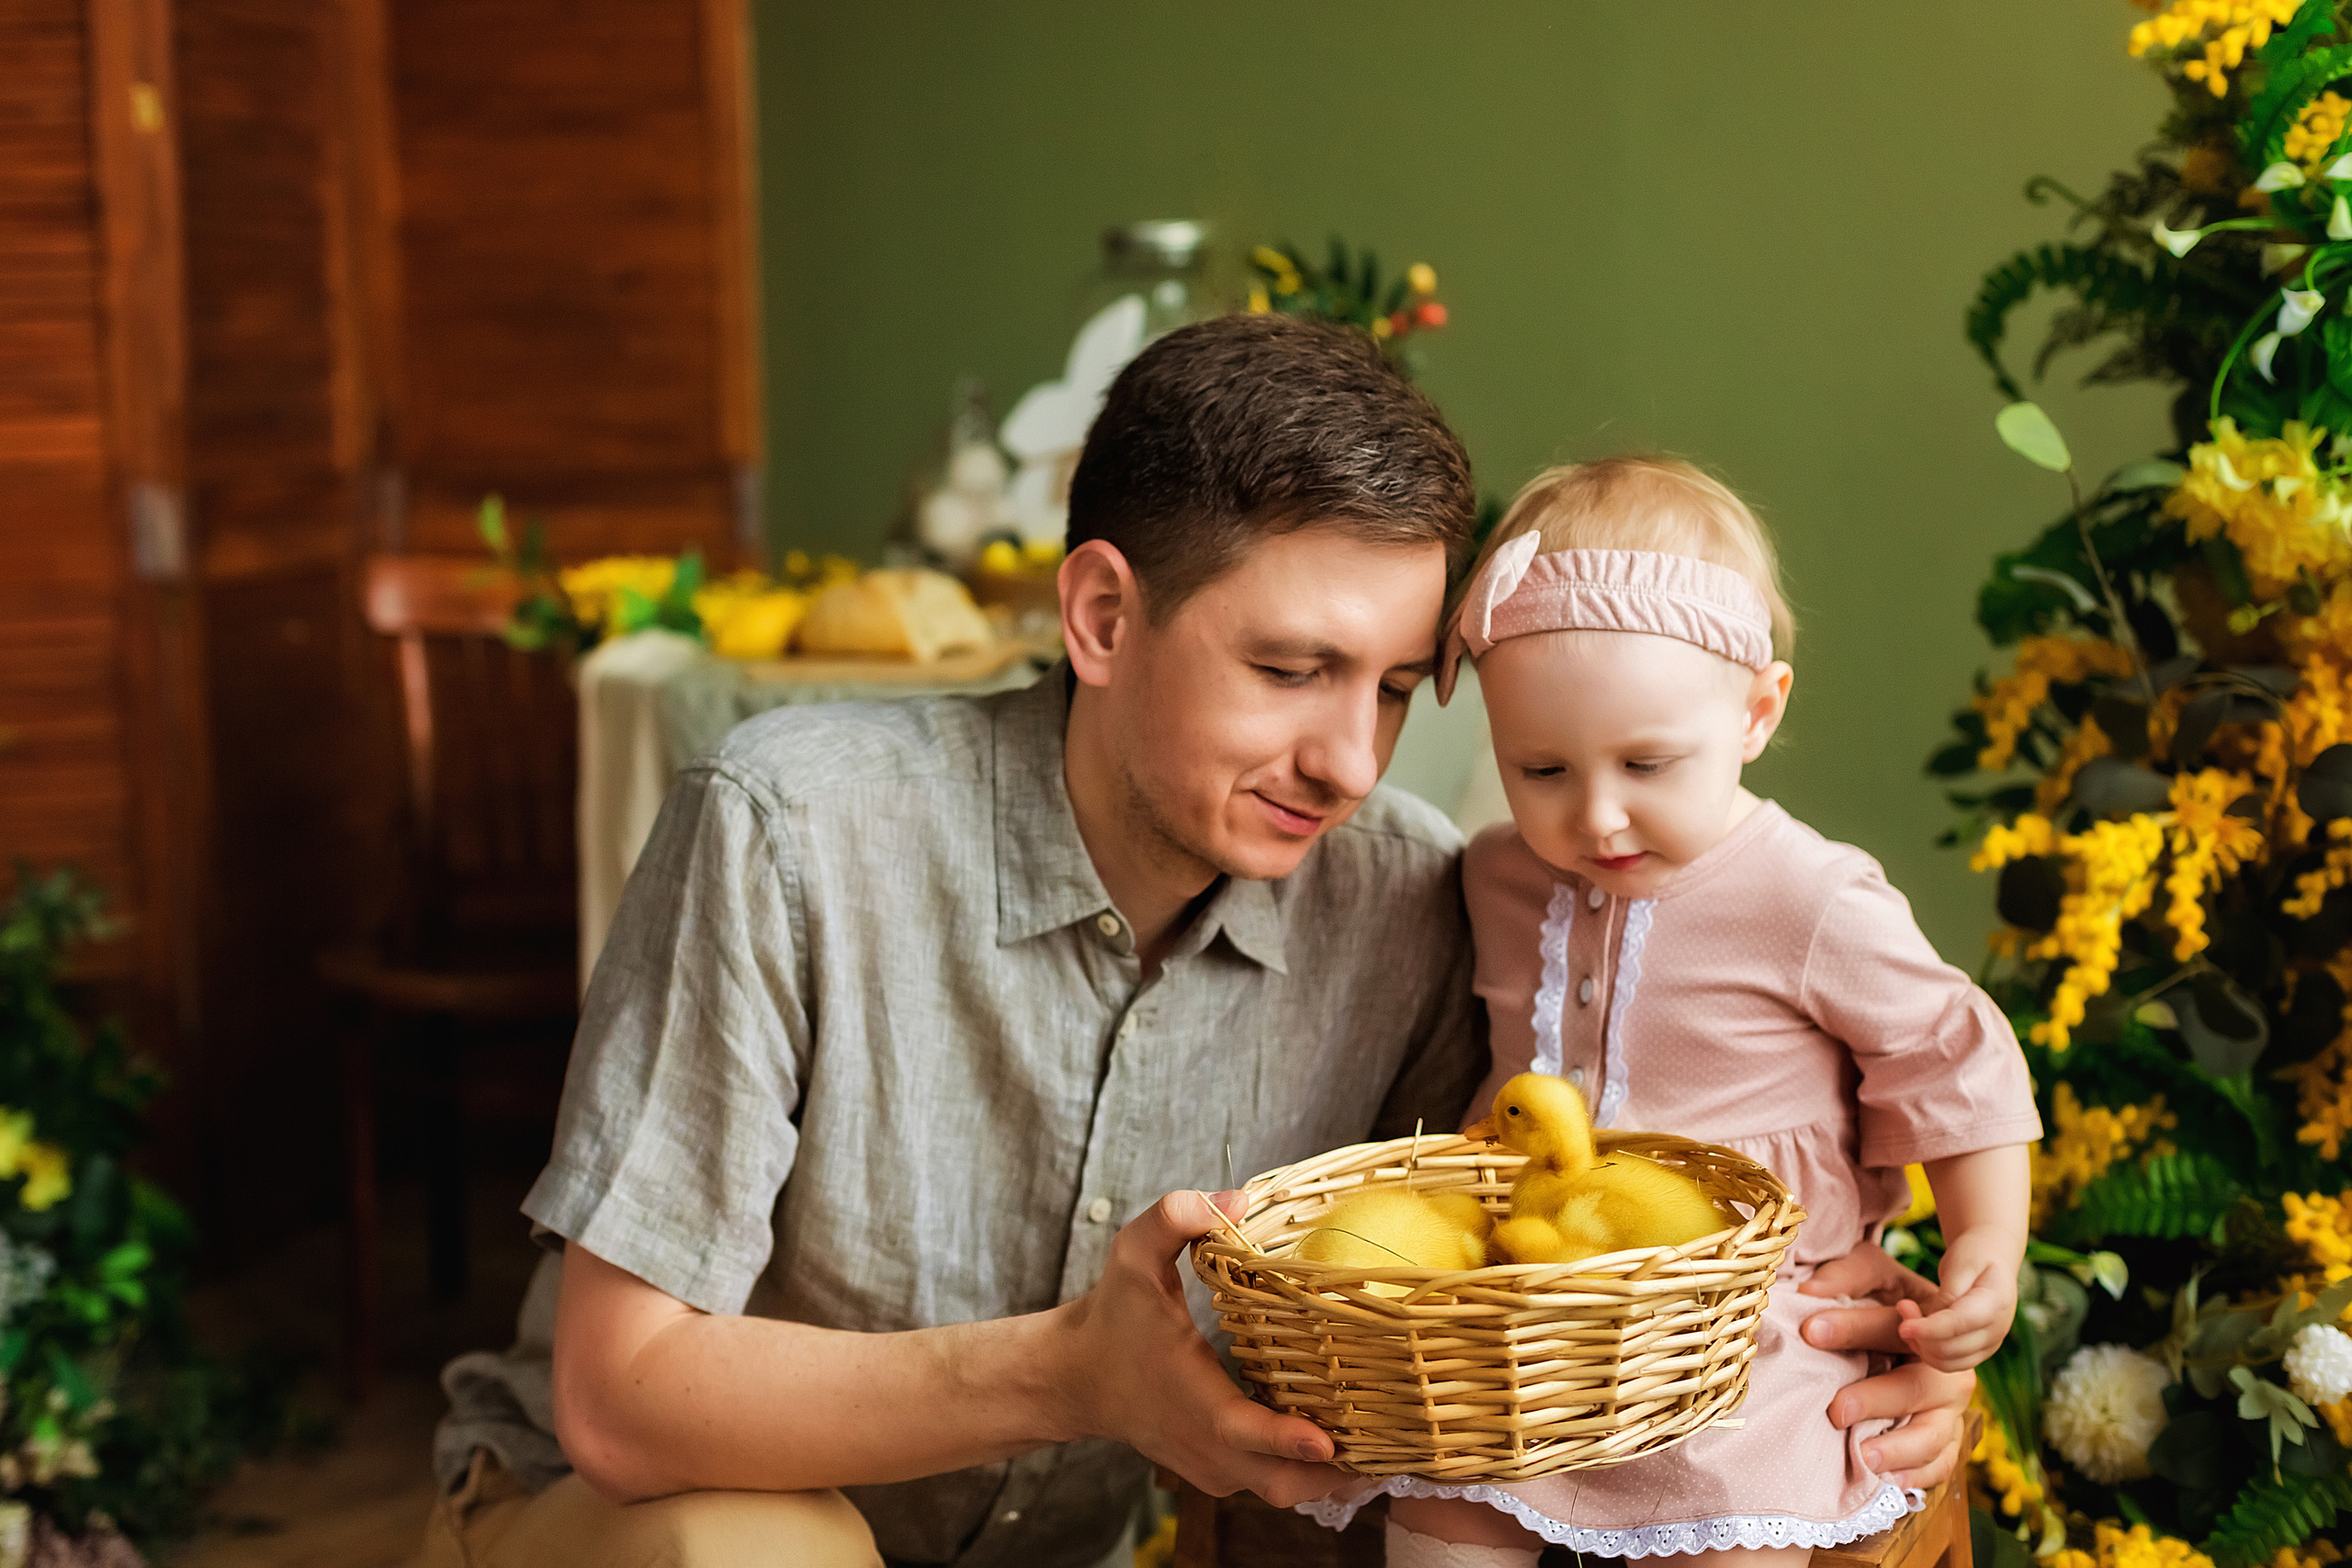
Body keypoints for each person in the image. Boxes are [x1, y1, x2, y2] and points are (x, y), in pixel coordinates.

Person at [415, 321, 1982, 1568]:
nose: (1350, 762)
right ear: (1101, 617)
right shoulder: (788, 830)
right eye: (1292, 667)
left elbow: (1538, 1239)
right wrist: (1075, 1372)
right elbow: (622, 1404)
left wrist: (1856, 1322)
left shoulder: (1406, 897)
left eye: (1386, 688)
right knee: (757, 1548)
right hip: (618, 1523)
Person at [1323, 457, 2040, 1568]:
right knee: (1439, 1517)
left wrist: (1985, 1248)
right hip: (1540, 1303)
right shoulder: (1495, 879)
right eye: (1540, 766)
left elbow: (1953, 1063)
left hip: (1744, 1317)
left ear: (1757, 712)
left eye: (1648, 762)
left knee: (1729, 1529)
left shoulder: (1806, 896)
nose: (1596, 813)